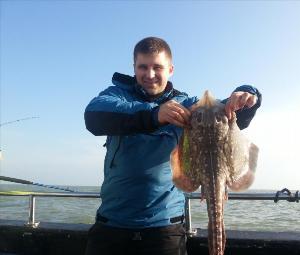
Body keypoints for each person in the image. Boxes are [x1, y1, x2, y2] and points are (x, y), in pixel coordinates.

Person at [84, 37, 262, 255]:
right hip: (112, 223)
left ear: (170, 69)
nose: (150, 75)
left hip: (164, 227)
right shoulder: (116, 95)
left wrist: (246, 93)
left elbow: (226, 111)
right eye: (143, 67)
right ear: (134, 68)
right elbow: (93, 116)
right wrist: (154, 115)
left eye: (157, 67)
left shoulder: (185, 105)